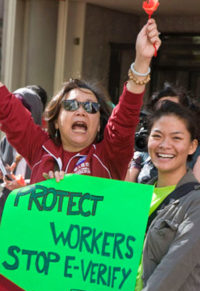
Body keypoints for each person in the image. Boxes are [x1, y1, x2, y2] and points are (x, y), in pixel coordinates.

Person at [0, 19, 161, 184]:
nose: (81, 111)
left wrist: (142, 61)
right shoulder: (39, 148)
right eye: (71, 105)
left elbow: (126, 115)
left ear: (99, 125)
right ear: (55, 121)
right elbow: (6, 107)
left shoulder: (109, 156)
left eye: (91, 107)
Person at [130, 100, 200, 291]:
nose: (165, 145)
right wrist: (62, 185)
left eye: (176, 138)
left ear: (192, 146)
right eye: (157, 136)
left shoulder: (196, 203)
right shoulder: (133, 198)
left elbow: (173, 270)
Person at [125, 82, 200, 183]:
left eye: (176, 138)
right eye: (159, 111)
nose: (165, 145)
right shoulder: (143, 150)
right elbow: (127, 190)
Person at [0, 85, 47, 219]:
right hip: (7, 207)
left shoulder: (45, 147)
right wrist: (4, 174)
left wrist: (25, 185)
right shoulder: (6, 142)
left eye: (22, 110)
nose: (17, 117)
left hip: (32, 210)